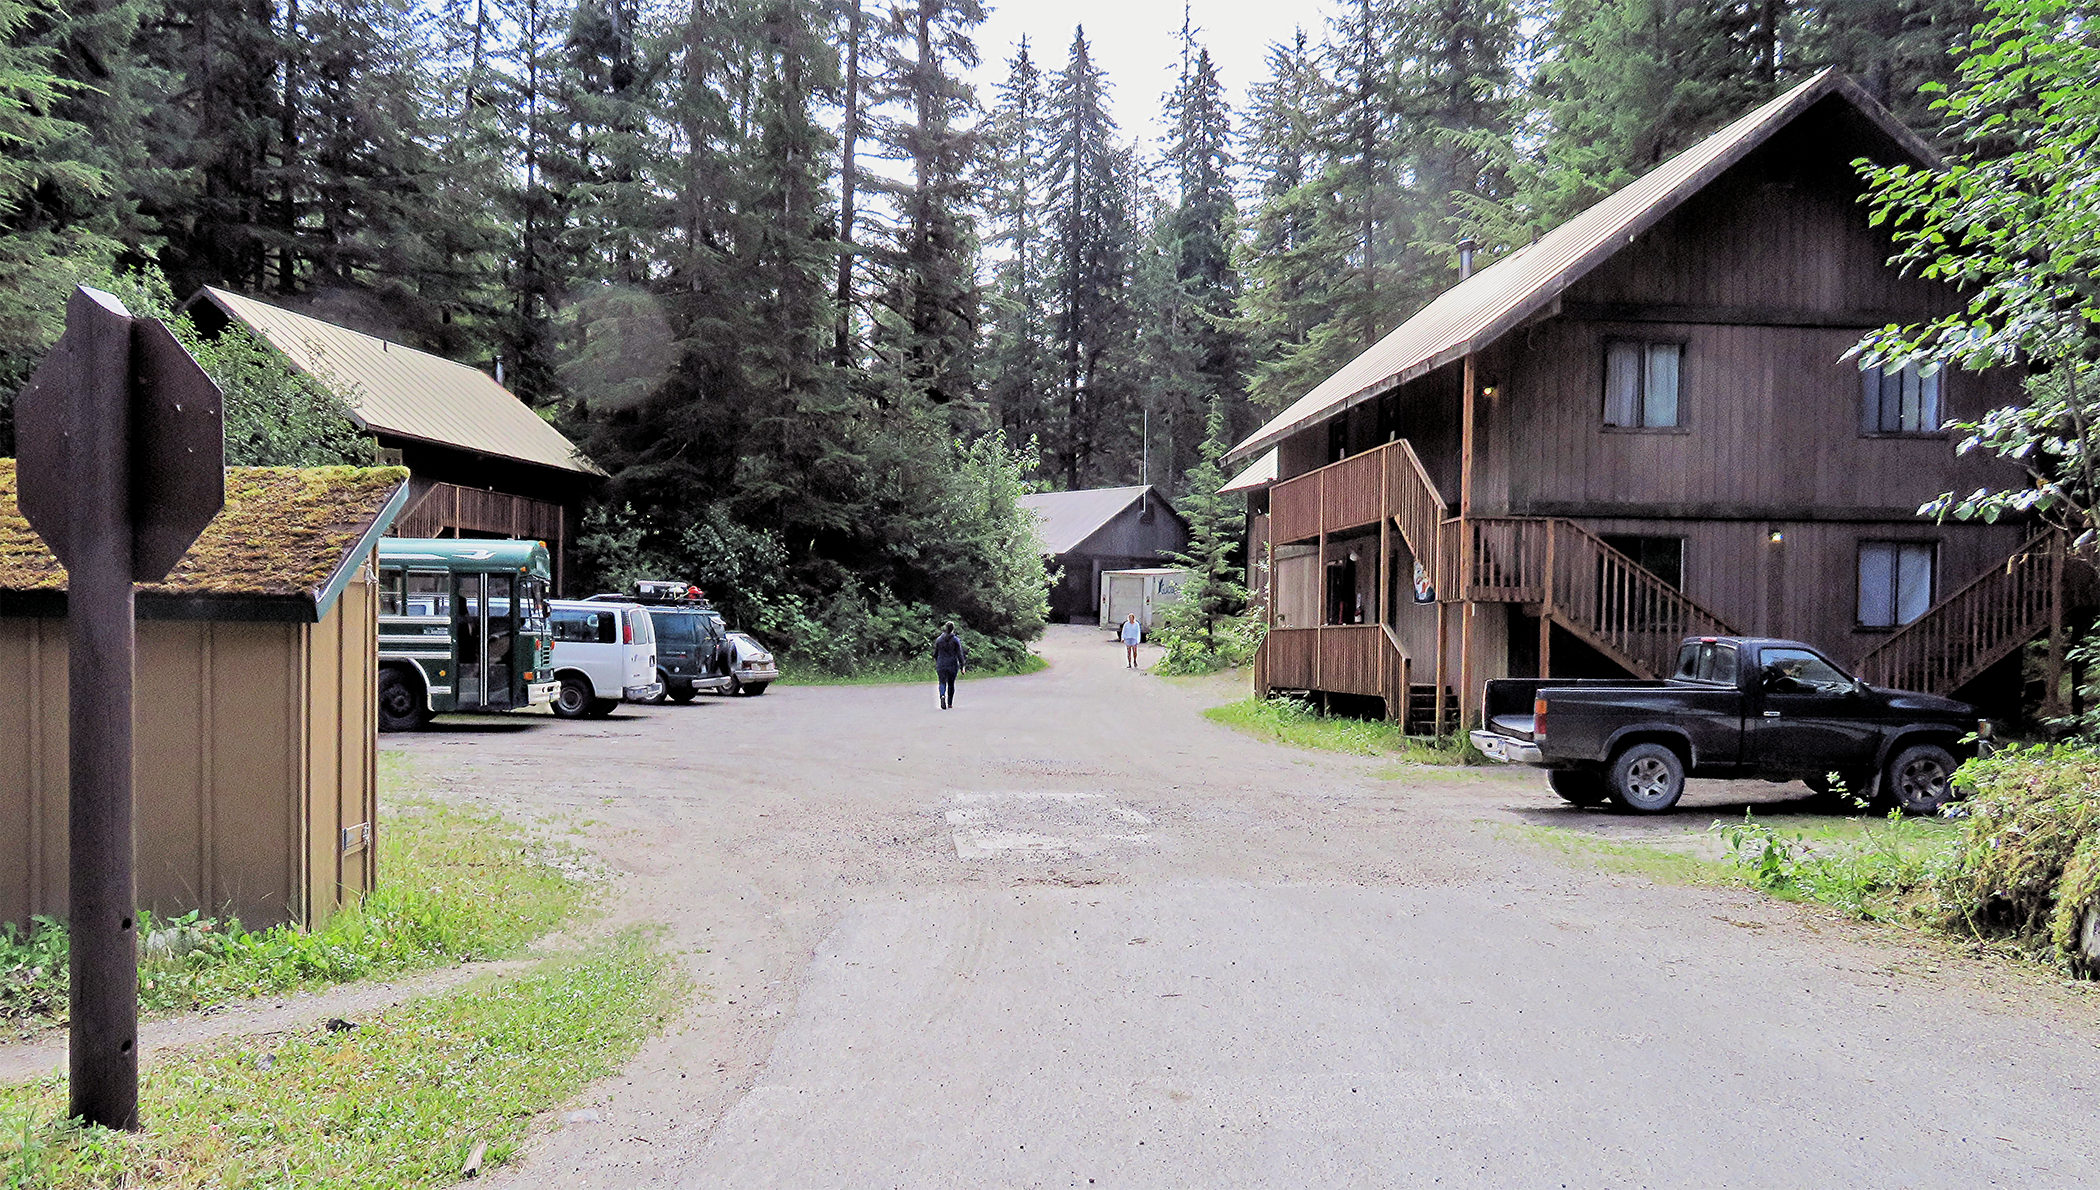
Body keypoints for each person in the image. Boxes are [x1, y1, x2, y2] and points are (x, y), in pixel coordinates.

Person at [933, 622, 966, 709]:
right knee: (951, 683)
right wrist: (962, 666)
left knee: (942, 682)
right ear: (953, 629)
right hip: (952, 664)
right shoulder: (955, 640)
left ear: (945, 628)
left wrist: (938, 662)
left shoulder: (939, 640)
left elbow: (935, 654)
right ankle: (950, 703)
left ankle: (942, 695)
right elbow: (959, 654)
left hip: (941, 664)